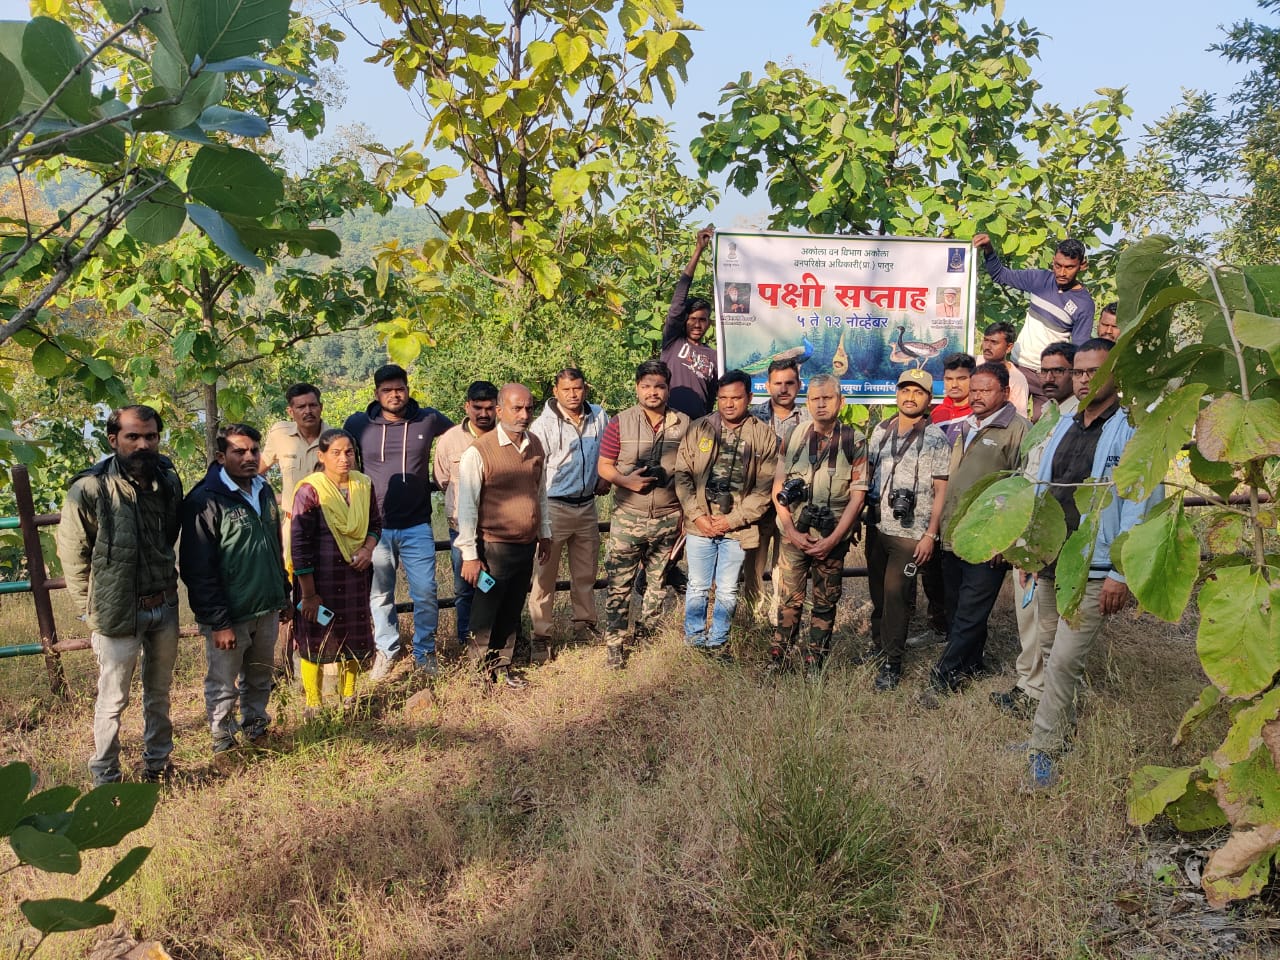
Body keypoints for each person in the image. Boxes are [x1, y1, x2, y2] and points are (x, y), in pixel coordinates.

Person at [1021, 339, 1161, 788]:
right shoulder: (1062, 423)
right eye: (1078, 372)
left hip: (1093, 567)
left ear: (1115, 375)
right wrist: (1029, 549)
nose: (1083, 380)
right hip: (1052, 558)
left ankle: (1043, 748)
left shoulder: (1132, 430)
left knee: (1065, 660)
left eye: (1093, 372)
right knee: (1048, 651)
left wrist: (1121, 571)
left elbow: (1141, 503)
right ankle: (1058, 734)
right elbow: (1043, 488)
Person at [57, 405, 183, 785]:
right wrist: (90, 609)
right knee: (113, 700)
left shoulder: (168, 481)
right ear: (113, 440)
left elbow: (170, 533)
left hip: (163, 604)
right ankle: (105, 778)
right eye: (133, 437)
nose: (143, 444)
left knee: (159, 694)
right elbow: (73, 554)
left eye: (150, 436)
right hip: (116, 612)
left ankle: (158, 767)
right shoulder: (90, 488)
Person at [180, 425, 290, 758]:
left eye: (254, 450)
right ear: (220, 456)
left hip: (266, 605)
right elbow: (198, 568)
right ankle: (224, 743)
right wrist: (219, 621)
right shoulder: (205, 500)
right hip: (230, 613)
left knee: (259, 676)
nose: (249, 457)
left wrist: (283, 593)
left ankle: (257, 729)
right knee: (223, 683)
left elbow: (274, 546)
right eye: (239, 452)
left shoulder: (263, 488)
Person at [344, 364, 454, 678]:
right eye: (387, 390)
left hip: (417, 524)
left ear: (407, 389)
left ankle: (425, 652)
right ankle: (386, 650)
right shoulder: (358, 424)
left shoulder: (428, 419)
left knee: (426, 593)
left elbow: (461, 436)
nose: (394, 395)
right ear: (376, 393)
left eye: (400, 389)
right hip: (375, 527)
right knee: (380, 595)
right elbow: (337, 453)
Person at [929, 363, 1031, 694]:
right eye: (974, 390)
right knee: (957, 605)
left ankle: (944, 676)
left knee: (971, 611)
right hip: (953, 534)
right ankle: (972, 665)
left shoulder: (1018, 430)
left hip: (989, 538)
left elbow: (1025, 488)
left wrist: (1007, 540)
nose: (977, 396)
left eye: (986, 390)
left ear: (1005, 392)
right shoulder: (963, 425)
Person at [991, 342, 1080, 717]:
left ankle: (1041, 691)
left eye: (1059, 370)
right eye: (1045, 370)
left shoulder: (1078, 420)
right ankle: (1028, 682)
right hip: (1026, 528)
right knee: (1027, 613)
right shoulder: (1047, 415)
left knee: (1046, 618)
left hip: (1050, 533)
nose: (1049, 377)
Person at [768, 374, 868, 675]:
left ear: (841, 401)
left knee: (825, 602)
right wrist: (791, 531)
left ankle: (815, 662)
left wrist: (833, 539)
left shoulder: (854, 441)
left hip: (831, 536)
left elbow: (857, 498)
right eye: (815, 399)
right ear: (808, 402)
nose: (821, 404)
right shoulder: (794, 435)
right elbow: (778, 486)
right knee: (788, 599)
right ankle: (779, 659)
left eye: (827, 398)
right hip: (794, 534)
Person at [675, 369, 778, 656]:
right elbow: (682, 475)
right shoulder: (699, 428)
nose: (729, 404)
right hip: (700, 524)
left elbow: (764, 490)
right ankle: (695, 640)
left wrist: (730, 521)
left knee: (728, 588)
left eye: (736, 398)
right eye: (723, 398)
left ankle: (718, 640)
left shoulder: (763, 435)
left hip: (738, 528)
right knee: (697, 585)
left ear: (749, 397)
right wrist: (697, 516)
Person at [456, 383, 552, 688]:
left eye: (529, 408)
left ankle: (502, 666)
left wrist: (545, 533)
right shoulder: (479, 451)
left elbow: (540, 493)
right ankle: (478, 673)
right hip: (493, 547)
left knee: (511, 609)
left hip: (525, 545)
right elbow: (466, 506)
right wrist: (470, 555)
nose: (524, 415)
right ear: (500, 411)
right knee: (486, 612)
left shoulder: (535, 444)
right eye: (516, 408)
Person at [598, 361, 691, 670]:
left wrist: (685, 515)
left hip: (668, 516)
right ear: (637, 388)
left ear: (668, 388)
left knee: (657, 583)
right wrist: (627, 482)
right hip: (628, 516)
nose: (653, 392)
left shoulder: (684, 424)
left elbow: (692, 471)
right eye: (647, 386)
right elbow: (604, 466)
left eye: (659, 386)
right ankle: (615, 645)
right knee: (619, 584)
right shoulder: (620, 422)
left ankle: (647, 633)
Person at [861, 369, 950, 689]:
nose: (910, 397)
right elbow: (868, 474)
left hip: (911, 533)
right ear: (897, 394)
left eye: (918, 392)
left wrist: (931, 534)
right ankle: (878, 645)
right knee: (879, 595)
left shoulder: (936, 438)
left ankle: (892, 661)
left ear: (929, 399)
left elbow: (942, 490)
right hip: (877, 525)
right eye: (905, 390)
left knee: (896, 596)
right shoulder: (881, 429)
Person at [290, 429, 382, 718]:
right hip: (319, 580)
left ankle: (349, 696)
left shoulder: (363, 485)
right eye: (336, 453)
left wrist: (367, 550)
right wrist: (309, 594)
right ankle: (313, 704)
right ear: (322, 456)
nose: (344, 458)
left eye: (349, 452)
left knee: (352, 635)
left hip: (355, 574)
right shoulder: (310, 491)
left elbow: (375, 525)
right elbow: (299, 545)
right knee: (314, 637)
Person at [527, 367, 610, 654]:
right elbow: (535, 471)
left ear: (585, 388)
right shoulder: (542, 426)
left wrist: (605, 476)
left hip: (587, 505)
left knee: (586, 572)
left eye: (577, 388)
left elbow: (608, 450)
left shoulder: (598, 415)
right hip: (554, 506)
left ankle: (584, 625)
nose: (573, 395)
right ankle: (541, 635)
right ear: (555, 391)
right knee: (544, 576)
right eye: (566, 389)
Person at [973, 233, 1094, 420]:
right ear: (1053, 261)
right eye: (1058, 265)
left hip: (1047, 375)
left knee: (1043, 428)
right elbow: (1000, 275)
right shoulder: (1040, 280)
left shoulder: (1084, 304)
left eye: (1069, 267)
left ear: (1082, 265)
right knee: (1004, 420)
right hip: (1018, 367)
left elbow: (1079, 349)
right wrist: (988, 249)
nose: (1062, 273)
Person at [433, 380, 499, 651]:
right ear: (467, 407)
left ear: (498, 408)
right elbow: (442, 479)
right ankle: (467, 642)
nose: (484, 414)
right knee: (464, 589)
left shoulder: (507, 436)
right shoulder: (449, 440)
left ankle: (499, 641)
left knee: (498, 586)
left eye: (489, 408)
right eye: (477, 408)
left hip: (499, 529)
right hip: (461, 529)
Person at [743, 358, 810, 621]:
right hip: (757, 504)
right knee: (753, 564)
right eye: (778, 383)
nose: (783, 389)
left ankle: (779, 618)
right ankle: (753, 617)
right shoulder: (752, 417)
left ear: (799, 385)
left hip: (792, 506)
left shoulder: (809, 419)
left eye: (789, 383)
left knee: (785, 565)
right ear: (767, 385)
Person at [662, 227, 718, 419]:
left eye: (702, 320)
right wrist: (698, 250)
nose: (697, 325)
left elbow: (712, 396)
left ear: (709, 323)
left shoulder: (714, 356)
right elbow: (679, 296)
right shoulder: (673, 342)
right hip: (669, 422)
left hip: (698, 425)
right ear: (684, 320)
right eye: (692, 319)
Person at [259, 382, 329, 514]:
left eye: (313, 405)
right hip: (292, 520)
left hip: (328, 520)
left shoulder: (335, 439)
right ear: (290, 412)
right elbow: (255, 471)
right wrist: (267, 498)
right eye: (301, 407)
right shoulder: (280, 434)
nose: (308, 411)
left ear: (321, 407)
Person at [979, 322, 1030, 418]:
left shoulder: (1016, 379)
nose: (987, 347)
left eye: (994, 342)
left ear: (1009, 347)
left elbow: (1019, 418)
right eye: (985, 340)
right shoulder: (973, 363)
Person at [929, 353, 976, 436]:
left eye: (961, 379)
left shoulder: (980, 412)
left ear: (974, 379)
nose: (954, 385)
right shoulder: (936, 413)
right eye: (949, 379)